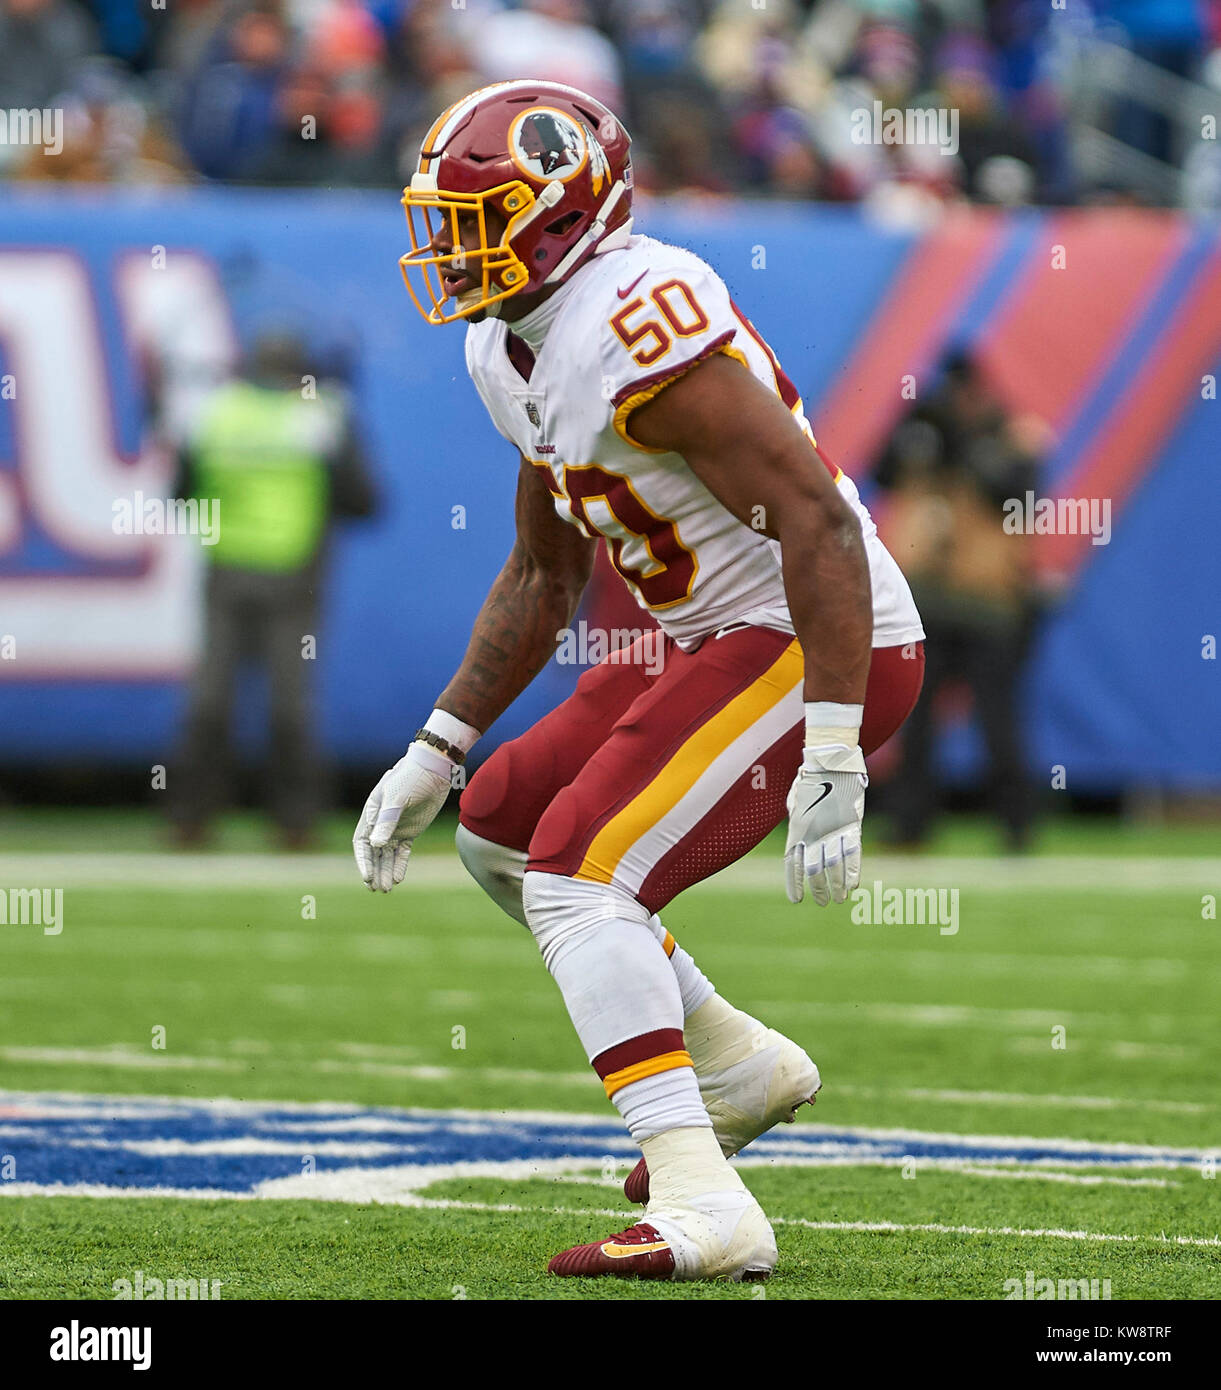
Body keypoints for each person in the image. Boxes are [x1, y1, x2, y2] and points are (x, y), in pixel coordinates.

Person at [353, 80, 925, 1282]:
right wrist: (439, 743)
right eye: (442, 221)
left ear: (559, 213)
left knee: (578, 876)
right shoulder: (504, 346)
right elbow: (544, 566)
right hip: (716, 637)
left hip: (817, 631)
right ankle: (732, 1062)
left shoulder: (633, 315)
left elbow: (817, 519)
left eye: (476, 217)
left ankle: (703, 1198)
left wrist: (832, 742)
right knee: (502, 831)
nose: (449, 248)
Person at [174, 331, 377, 848]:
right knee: (287, 704)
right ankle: (294, 824)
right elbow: (363, 502)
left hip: (229, 570)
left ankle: (192, 821)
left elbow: (180, 493)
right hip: (295, 576)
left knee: (213, 699)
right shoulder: (320, 416)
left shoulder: (215, 412)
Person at [874, 347, 1043, 851]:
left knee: (998, 718)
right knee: (917, 718)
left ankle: (1017, 828)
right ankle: (910, 825)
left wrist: (966, 441)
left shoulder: (1013, 437)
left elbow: (1017, 498)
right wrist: (916, 428)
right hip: (927, 599)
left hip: (989, 602)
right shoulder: (925, 430)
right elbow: (881, 474)